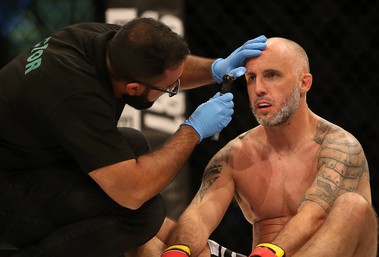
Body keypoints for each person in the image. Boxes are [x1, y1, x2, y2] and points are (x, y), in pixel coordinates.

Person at [0, 17, 267, 257]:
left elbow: (168, 69)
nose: (174, 88)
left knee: (134, 145)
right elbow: (133, 192)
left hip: (27, 161)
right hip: (9, 194)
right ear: (133, 88)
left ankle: (197, 250)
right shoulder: (76, 96)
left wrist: (215, 68)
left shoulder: (103, 41)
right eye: (170, 88)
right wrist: (193, 129)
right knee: (141, 216)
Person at [159, 37, 379, 257]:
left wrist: (269, 253)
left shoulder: (338, 147)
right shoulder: (235, 154)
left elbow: (314, 215)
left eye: (272, 75)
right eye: (251, 78)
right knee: (144, 228)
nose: (259, 89)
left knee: (353, 206)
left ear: (304, 83)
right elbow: (199, 215)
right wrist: (179, 251)